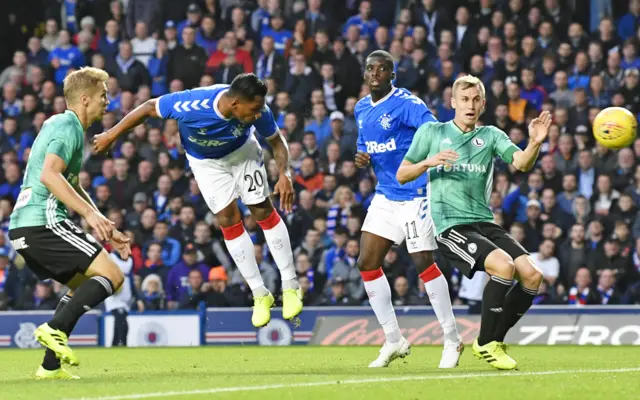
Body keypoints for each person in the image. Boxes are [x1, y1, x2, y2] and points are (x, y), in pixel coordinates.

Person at [93, 73, 303, 328]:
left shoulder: (260, 109)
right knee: (228, 220)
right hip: (206, 163)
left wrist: (284, 174)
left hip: (242, 153)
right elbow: (149, 107)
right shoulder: (192, 105)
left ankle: (291, 286)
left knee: (261, 211)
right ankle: (260, 294)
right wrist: (111, 134)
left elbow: (276, 142)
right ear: (236, 104)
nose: (258, 115)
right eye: (254, 110)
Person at [397, 75, 550, 370]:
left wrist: (534, 143)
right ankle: (487, 342)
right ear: (453, 102)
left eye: (476, 99)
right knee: (503, 266)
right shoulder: (432, 132)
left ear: (483, 103)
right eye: (464, 99)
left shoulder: (491, 135)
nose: (470, 105)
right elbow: (403, 173)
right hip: (451, 226)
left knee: (532, 275)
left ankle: (491, 341)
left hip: (484, 223)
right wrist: (428, 162)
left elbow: (521, 163)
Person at [8, 67, 131, 379]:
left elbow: (72, 185)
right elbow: (50, 175)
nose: (108, 101)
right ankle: (54, 329)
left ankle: (50, 366)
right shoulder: (68, 126)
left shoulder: (64, 125)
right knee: (113, 276)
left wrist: (105, 225)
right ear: (85, 99)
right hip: (42, 221)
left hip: (25, 226)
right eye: (104, 95)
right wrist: (89, 216)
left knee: (84, 285)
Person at [353, 50, 462, 369]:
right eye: (370, 68)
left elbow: (435, 132)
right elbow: (365, 146)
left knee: (422, 262)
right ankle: (393, 339)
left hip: (415, 193)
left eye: (382, 69)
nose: (375, 73)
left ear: (392, 75)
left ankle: (452, 339)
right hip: (385, 195)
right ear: (364, 74)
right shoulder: (361, 108)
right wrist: (362, 159)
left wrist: (430, 161)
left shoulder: (407, 104)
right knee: (367, 262)